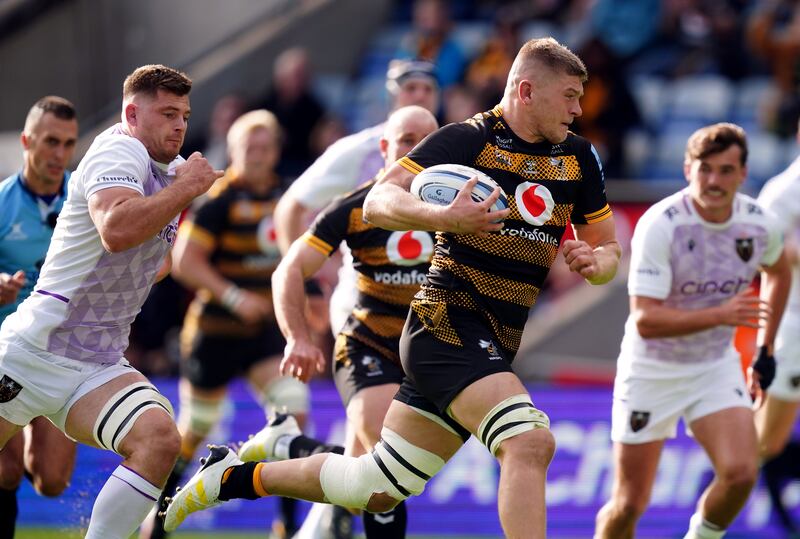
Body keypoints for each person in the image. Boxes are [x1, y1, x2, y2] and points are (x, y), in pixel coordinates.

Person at [163, 37, 621, 539]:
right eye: (571, 95)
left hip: (496, 340)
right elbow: (380, 200)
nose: (579, 109)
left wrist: (594, 262)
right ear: (527, 91)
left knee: (372, 485)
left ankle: (231, 478)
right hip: (443, 327)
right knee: (530, 441)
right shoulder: (466, 141)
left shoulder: (578, 157)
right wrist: (442, 216)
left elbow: (606, 251)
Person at [0, 64, 224, 539]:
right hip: (34, 350)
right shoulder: (119, 148)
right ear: (131, 114)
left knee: (159, 440)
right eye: (166, 113)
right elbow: (118, 229)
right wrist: (188, 189)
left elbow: (152, 264)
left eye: (184, 114)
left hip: (96, 363)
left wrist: (181, 191)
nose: (179, 125)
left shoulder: (167, 173)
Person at [236, 105, 439, 539]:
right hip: (368, 345)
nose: (419, 151)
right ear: (384, 148)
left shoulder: (457, 209)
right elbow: (288, 269)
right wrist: (298, 338)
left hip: (426, 352)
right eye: (406, 141)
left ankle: (288, 447)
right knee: (390, 469)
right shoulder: (355, 207)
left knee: (362, 475)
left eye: (428, 141)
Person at [594, 123, 792, 539]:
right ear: (687, 169)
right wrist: (721, 314)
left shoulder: (759, 223)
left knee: (740, 473)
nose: (714, 181)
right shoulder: (661, 224)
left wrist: (766, 349)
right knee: (629, 503)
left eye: (725, 170)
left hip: (713, 367)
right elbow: (646, 321)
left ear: (743, 173)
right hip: (652, 370)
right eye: (705, 169)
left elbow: (778, 270)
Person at [139, 109, 309, 539]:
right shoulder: (219, 200)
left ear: (276, 152)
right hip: (213, 335)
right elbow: (184, 263)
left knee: (292, 413)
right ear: (233, 151)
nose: (257, 154)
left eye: (265, 146)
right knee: (194, 430)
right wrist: (234, 298)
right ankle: (157, 520)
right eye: (249, 146)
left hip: (263, 336)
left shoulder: (287, 197)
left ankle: (285, 526)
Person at [274, 58, 439, 338]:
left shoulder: (452, 149)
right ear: (392, 95)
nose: (420, 95)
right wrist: (310, 280)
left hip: (426, 310)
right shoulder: (359, 149)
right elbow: (291, 207)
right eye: (411, 87)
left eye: (428, 89)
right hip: (362, 306)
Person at [0, 96, 79, 538]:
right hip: (6, 351)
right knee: (4, 472)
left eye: (68, 144)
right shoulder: (2, 204)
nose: (59, 154)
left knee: (51, 481)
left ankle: (32, 447)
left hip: (59, 355)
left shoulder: (86, 200)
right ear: (28, 141)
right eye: (51, 141)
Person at [754, 123, 800, 465]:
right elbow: (757, 253)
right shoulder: (784, 191)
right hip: (793, 322)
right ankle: (717, 503)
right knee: (767, 441)